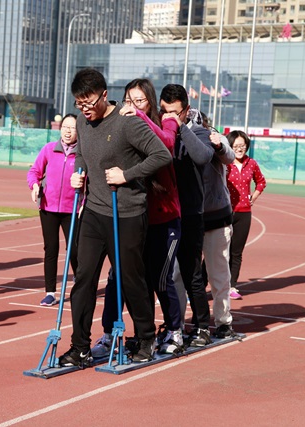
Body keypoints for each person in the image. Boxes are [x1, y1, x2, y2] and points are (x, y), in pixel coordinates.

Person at [58, 68, 172, 367]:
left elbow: (161, 155)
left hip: (128, 213)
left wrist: (127, 175)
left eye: (89, 102)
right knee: (83, 279)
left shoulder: (126, 122)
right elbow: (81, 155)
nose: (84, 109)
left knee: (130, 278)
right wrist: (78, 175)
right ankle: (80, 346)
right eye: (78, 104)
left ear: (104, 95)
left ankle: (146, 337)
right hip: (95, 210)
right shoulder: (82, 122)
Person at [91, 78, 183, 357]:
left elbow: (166, 145)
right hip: (132, 216)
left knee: (160, 277)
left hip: (163, 217)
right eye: (128, 101)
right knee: (118, 276)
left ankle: (174, 330)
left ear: (150, 102)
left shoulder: (165, 121)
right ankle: (109, 333)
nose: (132, 106)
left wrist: (140, 115)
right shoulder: (124, 126)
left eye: (139, 101)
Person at [159, 84, 215, 347]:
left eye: (173, 112)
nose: (167, 117)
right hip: (166, 212)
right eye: (163, 111)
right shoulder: (157, 133)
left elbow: (204, 156)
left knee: (192, 273)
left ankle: (202, 325)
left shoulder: (199, 133)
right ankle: (173, 325)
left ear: (185, 111)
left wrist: (179, 128)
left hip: (191, 213)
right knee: (164, 274)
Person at [27, 114, 80, 306]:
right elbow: (34, 171)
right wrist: (34, 185)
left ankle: (79, 285)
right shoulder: (49, 149)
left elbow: (89, 181)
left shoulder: (82, 153)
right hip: (48, 208)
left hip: (72, 209)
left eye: (72, 128)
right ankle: (50, 292)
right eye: (65, 127)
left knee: (75, 250)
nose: (67, 131)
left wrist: (83, 203)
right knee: (51, 249)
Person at [203, 129, 236, 339]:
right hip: (187, 217)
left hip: (216, 217)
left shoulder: (213, 137)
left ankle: (223, 321)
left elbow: (229, 156)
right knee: (177, 275)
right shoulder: (173, 136)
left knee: (218, 274)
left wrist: (218, 145)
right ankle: (176, 324)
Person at [226, 130, 266, 299]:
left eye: (242, 145)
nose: (239, 149)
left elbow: (261, 182)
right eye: (236, 146)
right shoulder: (225, 163)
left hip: (244, 213)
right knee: (218, 251)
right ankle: (200, 287)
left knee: (236, 252)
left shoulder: (252, 164)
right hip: (225, 212)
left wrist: (253, 198)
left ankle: (231, 286)